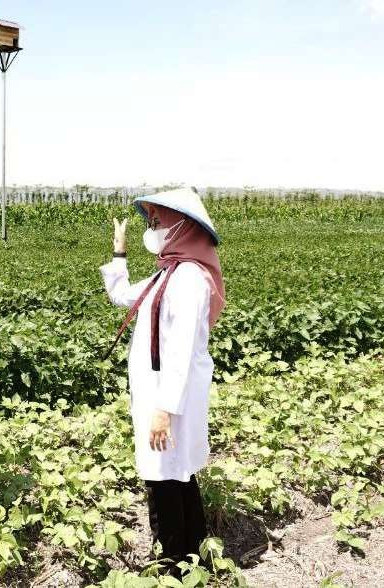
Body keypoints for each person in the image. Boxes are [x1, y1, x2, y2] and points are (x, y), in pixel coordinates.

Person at [99, 186, 226, 570]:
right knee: (176, 472)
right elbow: (122, 296)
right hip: (159, 394)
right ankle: (194, 554)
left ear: (182, 227)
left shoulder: (188, 279)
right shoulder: (166, 274)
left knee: (164, 476)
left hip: (169, 396)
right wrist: (119, 251)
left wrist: (164, 409)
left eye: (157, 221)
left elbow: (181, 350)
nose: (152, 228)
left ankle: (172, 563)